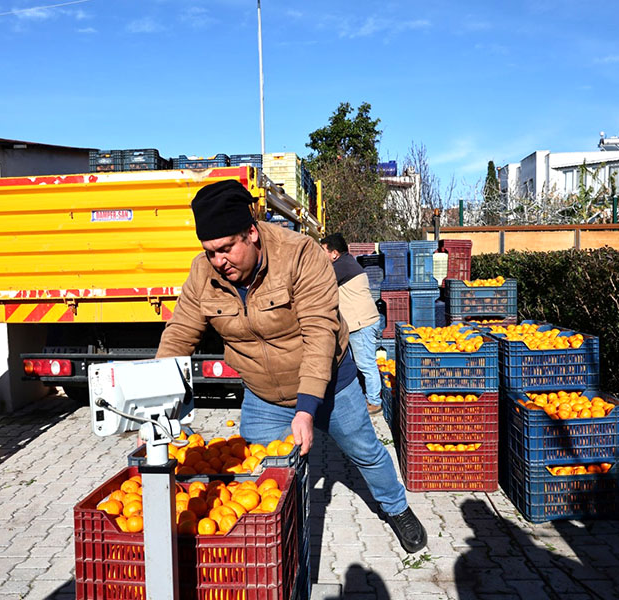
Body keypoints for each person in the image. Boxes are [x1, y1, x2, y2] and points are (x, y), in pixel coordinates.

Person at [156, 180, 427, 553]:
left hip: (331, 384)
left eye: (225, 250)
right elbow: (179, 334)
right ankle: (279, 543)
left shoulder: (300, 254)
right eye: (210, 252)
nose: (219, 261)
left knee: (365, 450)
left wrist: (306, 409)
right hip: (264, 394)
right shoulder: (204, 273)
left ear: (251, 233)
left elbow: (320, 332)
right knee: (263, 476)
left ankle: (397, 508)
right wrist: (154, 407)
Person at [319, 233, 383, 415]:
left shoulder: (341, 266)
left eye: (323, 250)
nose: (321, 255)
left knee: (366, 364)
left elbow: (319, 284)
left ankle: (374, 401)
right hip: (359, 322)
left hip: (361, 323)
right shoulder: (346, 263)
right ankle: (366, 397)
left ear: (334, 253)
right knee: (359, 362)